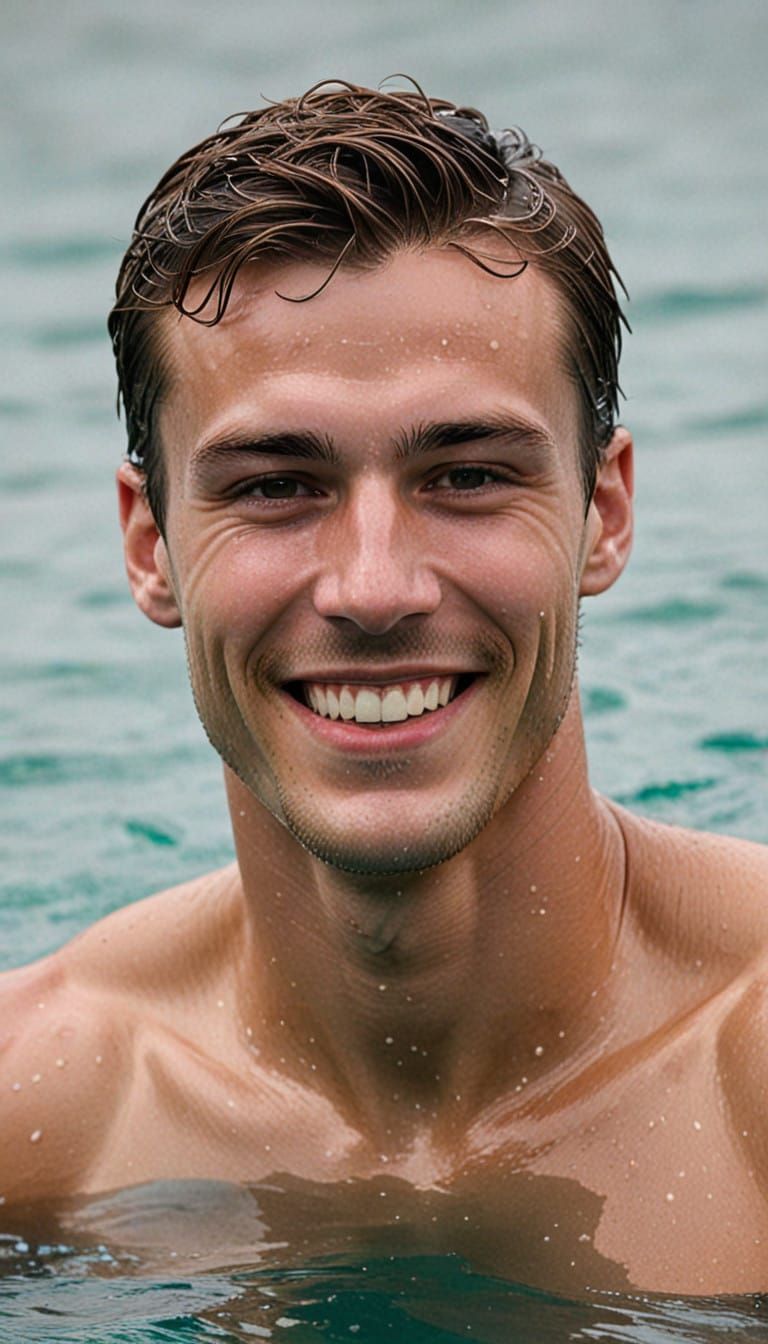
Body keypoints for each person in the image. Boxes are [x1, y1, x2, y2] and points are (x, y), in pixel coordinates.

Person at [2, 81, 767, 1295]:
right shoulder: (38, 1110)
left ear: (602, 515)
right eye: (272, 485)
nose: (372, 587)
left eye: (465, 474)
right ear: (149, 546)